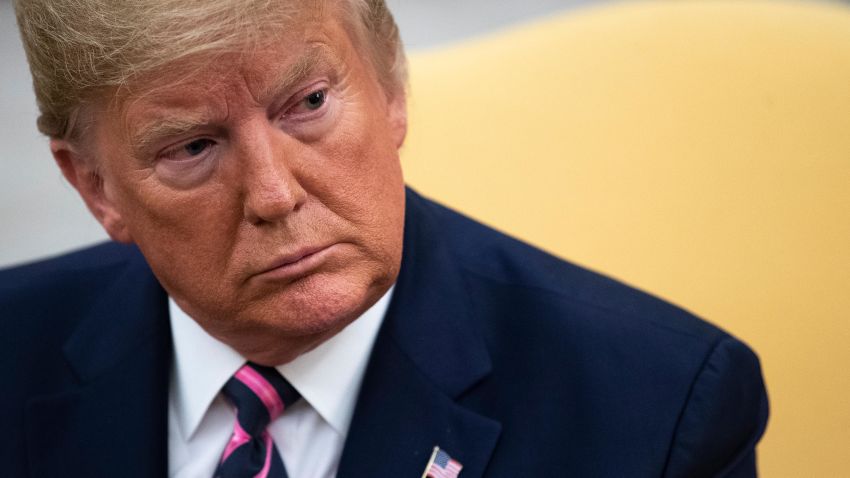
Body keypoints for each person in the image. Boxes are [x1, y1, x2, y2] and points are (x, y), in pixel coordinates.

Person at [1, 1, 768, 477]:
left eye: (306, 103)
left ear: (391, 90)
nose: (274, 194)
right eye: (192, 147)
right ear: (96, 187)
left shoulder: (661, 409)